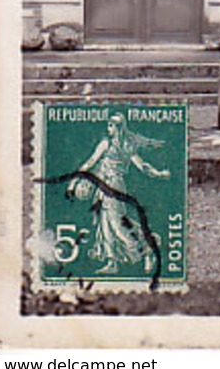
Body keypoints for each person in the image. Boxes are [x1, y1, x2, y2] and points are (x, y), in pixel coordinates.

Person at [66, 113, 169, 275]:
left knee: (117, 225)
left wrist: (158, 173)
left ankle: (147, 250)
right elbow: (90, 163)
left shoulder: (123, 145)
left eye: (111, 125)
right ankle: (111, 262)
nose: (109, 128)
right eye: (108, 125)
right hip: (103, 185)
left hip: (114, 185)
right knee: (104, 225)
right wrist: (73, 183)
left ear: (119, 127)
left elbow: (142, 165)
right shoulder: (107, 143)